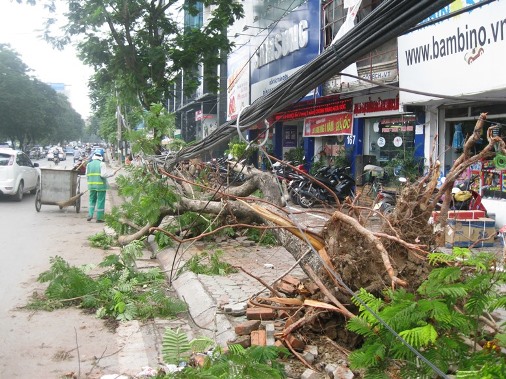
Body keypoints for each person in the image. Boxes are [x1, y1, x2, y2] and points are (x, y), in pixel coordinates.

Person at [86, 149, 116, 223]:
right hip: (100, 186)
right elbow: (103, 175)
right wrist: (112, 174)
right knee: (100, 201)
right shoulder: (101, 164)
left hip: (91, 186)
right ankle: (99, 218)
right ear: (101, 156)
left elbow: (87, 175)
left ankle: (90, 214)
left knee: (92, 200)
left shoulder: (89, 164)